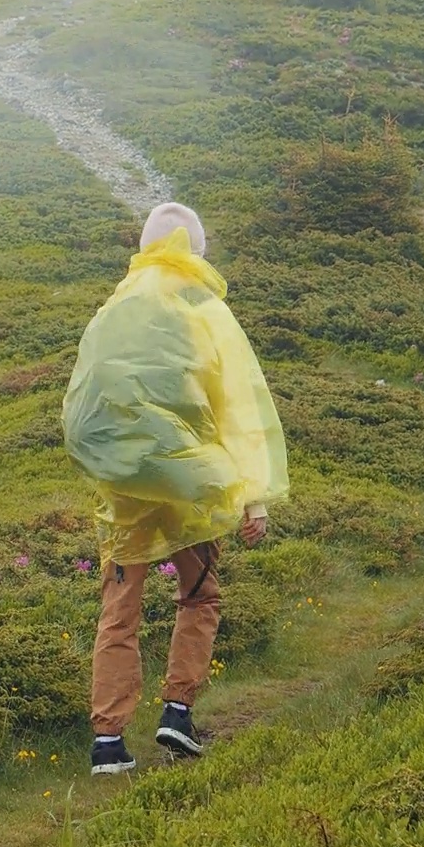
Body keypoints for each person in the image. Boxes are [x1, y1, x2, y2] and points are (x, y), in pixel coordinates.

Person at [62, 202, 289, 776]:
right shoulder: (202, 308)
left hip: (125, 488)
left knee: (120, 607)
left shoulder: (113, 307)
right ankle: (177, 712)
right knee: (200, 596)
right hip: (191, 481)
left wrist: (110, 468)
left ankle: (108, 744)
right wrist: (252, 495)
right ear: (196, 251)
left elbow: (83, 403)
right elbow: (237, 403)